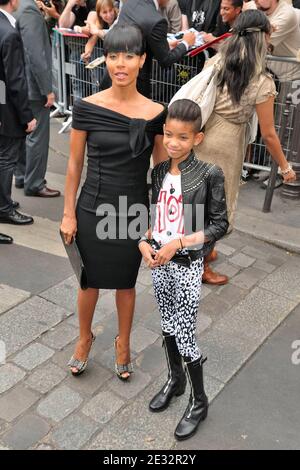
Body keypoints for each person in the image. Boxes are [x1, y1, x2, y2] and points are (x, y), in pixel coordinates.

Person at [60, 25, 168, 379]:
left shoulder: (156, 113)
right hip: (92, 208)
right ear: (105, 60)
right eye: (113, 55)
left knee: (125, 284)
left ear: (142, 60)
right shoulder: (86, 107)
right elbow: (75, 164)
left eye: (129, 56)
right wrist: (68, 214)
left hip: (133, 211)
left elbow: (162, 171)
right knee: (88, 282)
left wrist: (157, 220)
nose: (120, 64)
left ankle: (124, 342)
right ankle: (83, 338)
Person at [139, 99, 228, 441]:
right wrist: (143, 242)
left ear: (198, 139)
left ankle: (199, 401)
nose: (173, 143)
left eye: (183, 137)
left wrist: (181, 242)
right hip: (158, 262)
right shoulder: (158, 172)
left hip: (188, 264)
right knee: (167, 326)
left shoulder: (209, 174)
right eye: (168, 135)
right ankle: (175, 381)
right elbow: (154, 219)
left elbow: (220, 224)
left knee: (186, 333)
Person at [187, 9, 296, 284]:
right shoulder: (262, 81)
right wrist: (284, 167)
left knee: (201, 200)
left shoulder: (217, 62)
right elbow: (269, 135)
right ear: (261, 41)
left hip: (204, 134)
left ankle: (201, 250)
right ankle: (200, 265)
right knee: (218, 207)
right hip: (227, 142)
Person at [101, 0, 196, 98]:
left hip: (111, 80)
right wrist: (186, 43)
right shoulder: (157, 21)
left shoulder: (129, 3)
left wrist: (164, 45)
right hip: (134, 88)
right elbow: (166, 60)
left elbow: (137, 36)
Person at [14, 0, 61, 197]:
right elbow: (36, 54)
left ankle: (22, 175)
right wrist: (47, 89)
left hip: (20, 82)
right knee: (37, 137)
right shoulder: (29, 10)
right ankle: (34, 183)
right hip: (32, 86)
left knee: (24, 132)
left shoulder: (19, 7)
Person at [0, 0, 36, 227]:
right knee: (6, 159)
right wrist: (27, 116)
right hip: (6, 108)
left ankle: (3, 203)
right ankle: (3, 207)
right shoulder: (9, 32)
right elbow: (15, 80)